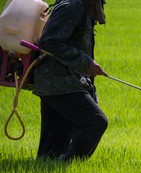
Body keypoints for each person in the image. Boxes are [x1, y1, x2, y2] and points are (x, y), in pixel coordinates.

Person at [33, 0, 108, 161]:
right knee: (95, 122)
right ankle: (69, 163)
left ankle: (54, 166)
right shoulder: (73, 5)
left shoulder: (85, 5)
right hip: (57, 80)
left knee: (49, 155)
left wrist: (89, 88)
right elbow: (49, 41)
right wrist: (86, 63)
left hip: (61, 81)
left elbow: (81, 47)